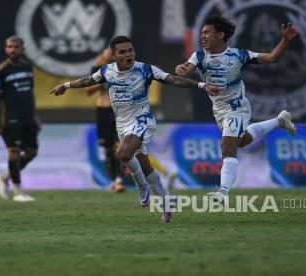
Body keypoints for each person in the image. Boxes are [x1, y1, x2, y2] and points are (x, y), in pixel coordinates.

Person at [50, 36, 222, 223]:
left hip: (143, 121)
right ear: (114, 56)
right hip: (122, 124)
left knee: (122, 153)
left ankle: (142, 188)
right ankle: (167, 202)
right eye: (122, 52)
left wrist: (202, 85)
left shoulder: (146, 69)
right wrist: (65, 86)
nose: (128, 54)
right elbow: (88, 80)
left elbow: (174, 80)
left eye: (130, 50)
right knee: (145, 165)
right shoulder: (107, 70)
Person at [175, 15, 298, 203]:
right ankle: (280, 121)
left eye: (207, 32)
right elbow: (188, 68)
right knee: (241, 141)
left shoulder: (239, 55)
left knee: (227, 147)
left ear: (221, 35)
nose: (203, 36)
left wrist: (286, 40)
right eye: (202, 33)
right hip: (219, 110)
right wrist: (183, 69)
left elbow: (273, 57)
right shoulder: (200, 56)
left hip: (237, 108)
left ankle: (223, 192)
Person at [0, 36, 41, 202]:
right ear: (6, 49)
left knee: (31, 152)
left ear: (23, 49)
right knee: (13, 153)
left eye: (16, 47)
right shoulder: (1, 70)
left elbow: (31, 94)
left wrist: (35, 116)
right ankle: (18, 192)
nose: (12, 50)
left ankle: (4, 178)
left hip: (28, 118)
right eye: (9, 47)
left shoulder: (28, 67)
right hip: (10, 118)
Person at [85, 48, 125, 193]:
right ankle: (114, 180)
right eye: (107, 53)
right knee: (108, 149)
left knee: (118, 146)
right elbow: (87, 91)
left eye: (112, 53)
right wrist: (102, 81)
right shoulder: (96, 70)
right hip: (102, 110)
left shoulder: (122, 69)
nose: (110, 55)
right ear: (102, 56)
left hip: (118, 111)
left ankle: (119, 179)